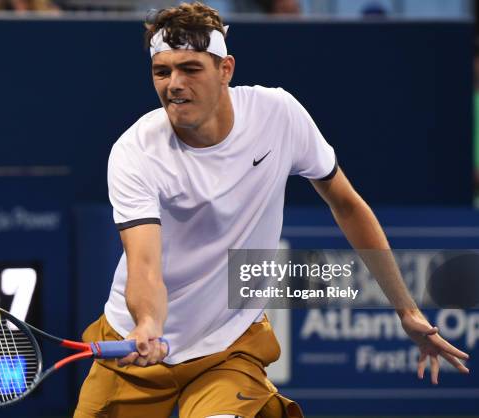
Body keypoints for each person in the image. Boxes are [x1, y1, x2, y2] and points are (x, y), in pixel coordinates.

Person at [74, 3, 470, 417]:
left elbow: (347, 204)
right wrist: (149, 325)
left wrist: (407, 310)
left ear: (225, 69)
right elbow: (144, 266)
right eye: (162, 71)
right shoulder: (135, 151)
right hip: (135, 345)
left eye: (190, 69)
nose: (174, 84)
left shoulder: (277, 114)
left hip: (228, 349)